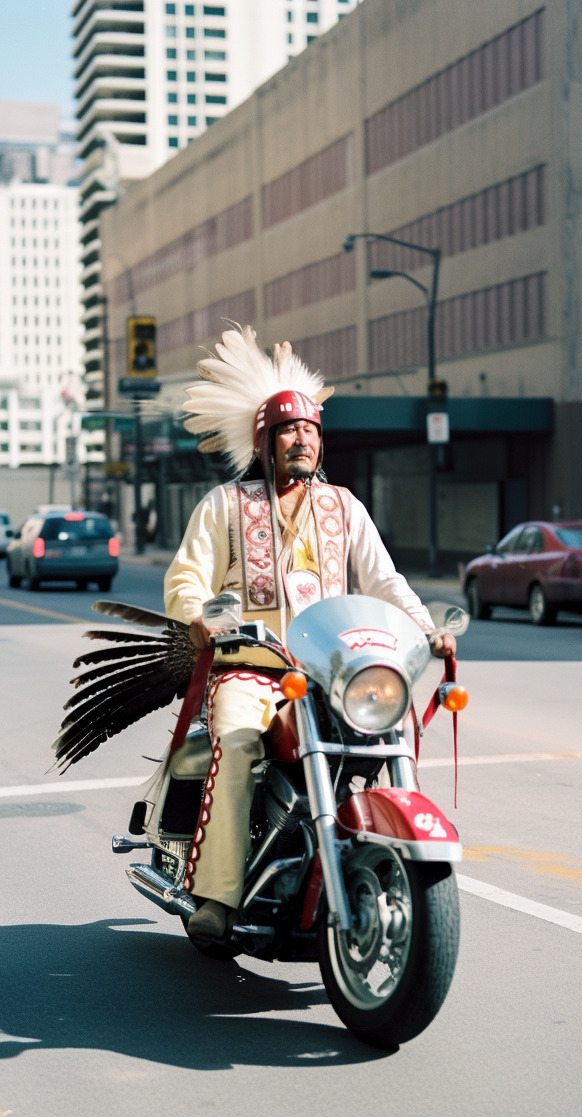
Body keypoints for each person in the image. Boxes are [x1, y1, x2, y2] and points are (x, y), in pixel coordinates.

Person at [163, 324, 455, 939]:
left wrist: (427, 630)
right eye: (288, 429)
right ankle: (216, 897)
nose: (301, 438)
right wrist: (199, 616)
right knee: (239, 742)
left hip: (330, 672)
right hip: (250, 669)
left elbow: (384, 582)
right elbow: (187, 576)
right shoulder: (225, 505)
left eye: (310, 429)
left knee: (388, 731)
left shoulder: (344, 507)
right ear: (263, 442)